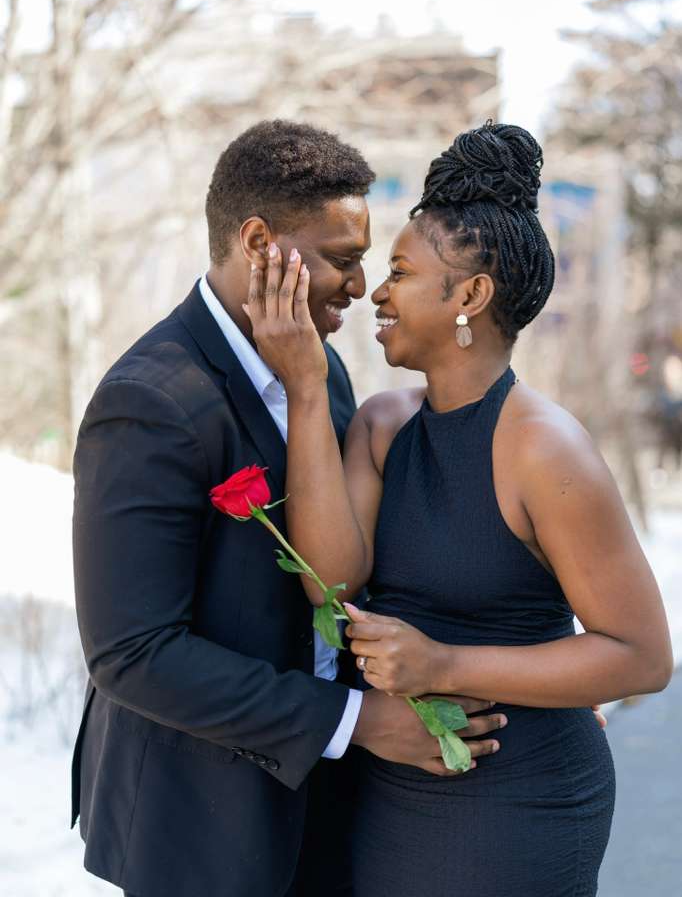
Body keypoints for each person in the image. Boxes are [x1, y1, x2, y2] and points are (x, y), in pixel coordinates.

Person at [70, 120, 505, 897]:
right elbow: (132, 653)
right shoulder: (150, 401)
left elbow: (339, 562)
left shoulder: (323, 370)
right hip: (199, 822)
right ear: (260, 241)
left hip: (329, 802)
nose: (360, 284)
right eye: (342, 258)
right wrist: (357, 722)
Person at [243, 121, 673, 897]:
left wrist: (444, 664)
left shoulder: (547, 451)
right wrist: (306, 385)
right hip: (390, 792)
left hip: (520, 798)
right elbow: (329, 585)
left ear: (470, 295)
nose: (378, 289)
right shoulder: (380, 425)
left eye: (402, 271)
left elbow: (642, 656)